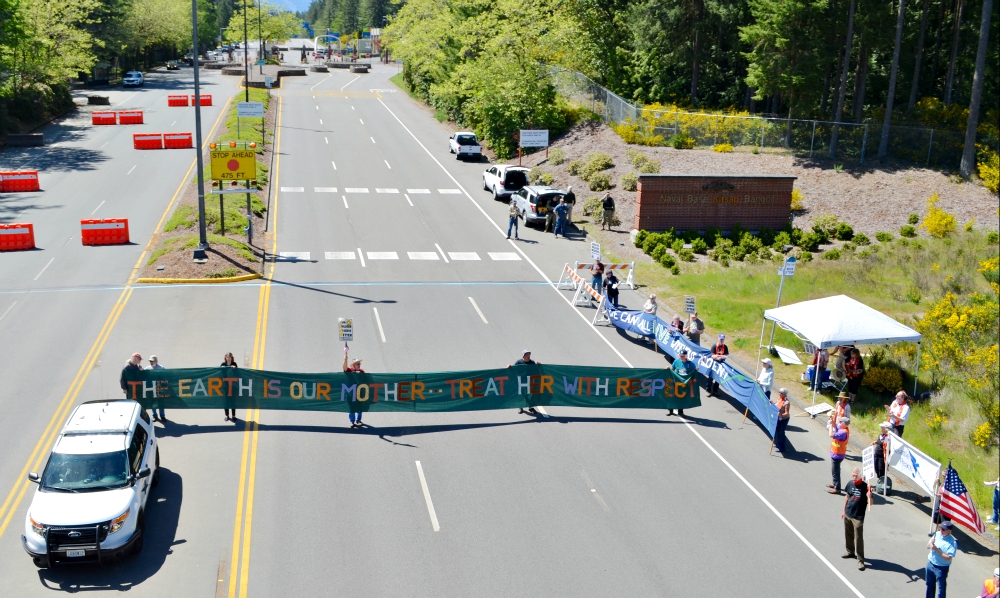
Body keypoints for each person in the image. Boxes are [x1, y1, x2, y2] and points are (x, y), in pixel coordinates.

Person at [842, 466, 872, 571]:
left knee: (858, 538)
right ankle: (850, 551)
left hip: (858, 517)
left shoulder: (866, 487)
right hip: (848, 514)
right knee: (848, 534)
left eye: (856, 476)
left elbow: (870, 504)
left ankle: (860, 560)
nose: (854, 477)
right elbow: (847, 496)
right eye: (853, 475)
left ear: (860, 476)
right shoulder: (850, 484)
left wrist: (870, 496)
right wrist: (843, 511)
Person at [925, 520, 957, 598]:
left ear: (949, 531)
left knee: (941, 589)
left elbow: (948, 558)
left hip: (941, 568)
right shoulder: (937, 534)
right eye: (940, 528)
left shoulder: (952, 542)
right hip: (931, 564)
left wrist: (936, 549)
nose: (941, 530)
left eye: (943, 529)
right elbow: (927, 546)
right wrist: (931, 544)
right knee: (929, 586)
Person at [510, 350, 539, 416]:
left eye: (529, 354)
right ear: (524, 356)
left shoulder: (532, 362)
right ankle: (520, 407)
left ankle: (530, 407)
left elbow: (536, 370)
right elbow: (513, 369)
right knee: (521, 394)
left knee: (530, 394)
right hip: (521, 381)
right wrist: (509, 366)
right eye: (527, 354)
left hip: (530, 380)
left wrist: (539, 365)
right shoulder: (519, 362)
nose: (529, 356)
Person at [342, 346, 365, 428]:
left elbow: (366, 380)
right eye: (357, 364)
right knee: (351, 407)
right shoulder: (349, 370)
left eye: (359, 364)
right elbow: (344, 368)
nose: (359, 365)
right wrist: (345, 359)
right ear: (354, 365)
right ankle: (352, 421)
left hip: (359, 393)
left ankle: (358, 420)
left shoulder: (362, 371)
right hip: (350, 392)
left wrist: (360, 375)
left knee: (359, 407)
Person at [668, 349, 696, 417]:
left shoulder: (690, 364)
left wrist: (696, 370)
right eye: (680, 356)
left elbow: (694, 372)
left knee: (681, 397)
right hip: (676, 382)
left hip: (684, 383)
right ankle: (670, 410)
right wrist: (668, 370)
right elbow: (672, 369)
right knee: (672, 396)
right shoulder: (676, 361)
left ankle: (680, 411)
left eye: (683, 356)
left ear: (686, 356)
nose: (681, 357)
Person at [828, 414, 850, 494]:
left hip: (838, 455)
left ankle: (837, 489)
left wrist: (830, 425)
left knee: (835, 472)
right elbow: (836, 426)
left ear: (844, 424)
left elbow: (831, 435)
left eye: (840, 422)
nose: (839, 423)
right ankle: (834, 483)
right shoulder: (843, 429)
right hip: (836, 453)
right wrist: (832, 421)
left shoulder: (843, 433)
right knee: (834, 470)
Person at [146, 356, 166, 421]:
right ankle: (154, 416)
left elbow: (168, 375)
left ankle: (162, 416)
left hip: (160, 388)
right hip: (151, 388)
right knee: (153, 402)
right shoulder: (147, 369)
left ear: (156, 361)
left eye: (152, 361)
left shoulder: (162, 368)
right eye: (150, 361)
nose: (151, 362)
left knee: (161, 402)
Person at [772, 388, 791, 452]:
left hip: (784, 419)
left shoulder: (786, 402)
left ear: (785, 394)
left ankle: (781, 447)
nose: (780, 394)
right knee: (777, 430)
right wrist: (772, 403)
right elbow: (776, 404)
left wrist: (781, 415)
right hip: (779, 418)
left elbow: (787, 413)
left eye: (781, 393)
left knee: (781, 432)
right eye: (779, 392)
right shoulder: (779, 398)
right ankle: (778, 444)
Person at [222, 352, 239, 421]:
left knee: (233, 401)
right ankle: (227, 415)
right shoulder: (223, 364)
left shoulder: (234, 364)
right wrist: (221, 368)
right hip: (226, 386)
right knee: (226, 401)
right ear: (225, 358)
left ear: (231, 358)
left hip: (233, 386)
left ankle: (233, 416)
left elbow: (238, 373)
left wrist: (235, 368)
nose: (228, 358)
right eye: (227, 357)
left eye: (229, 357)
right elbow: (219, 372)